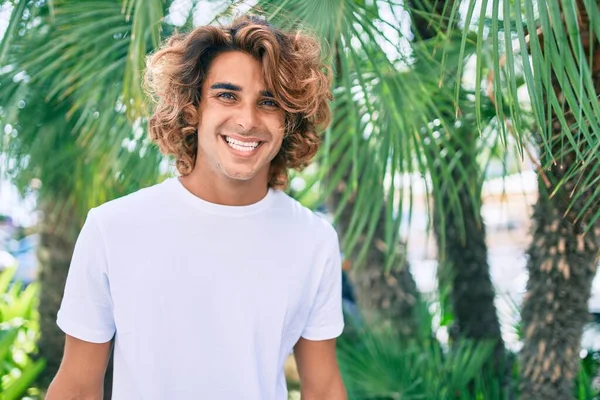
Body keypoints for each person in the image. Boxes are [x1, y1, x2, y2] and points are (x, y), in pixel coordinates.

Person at [46, 15, 347, 400]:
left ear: (289, 119)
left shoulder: (313, 240)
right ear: (192, 109)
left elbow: (322, 388)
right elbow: (76, 387)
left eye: (269, 101)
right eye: (227, 95)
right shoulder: (113, 228)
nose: (247, 120)